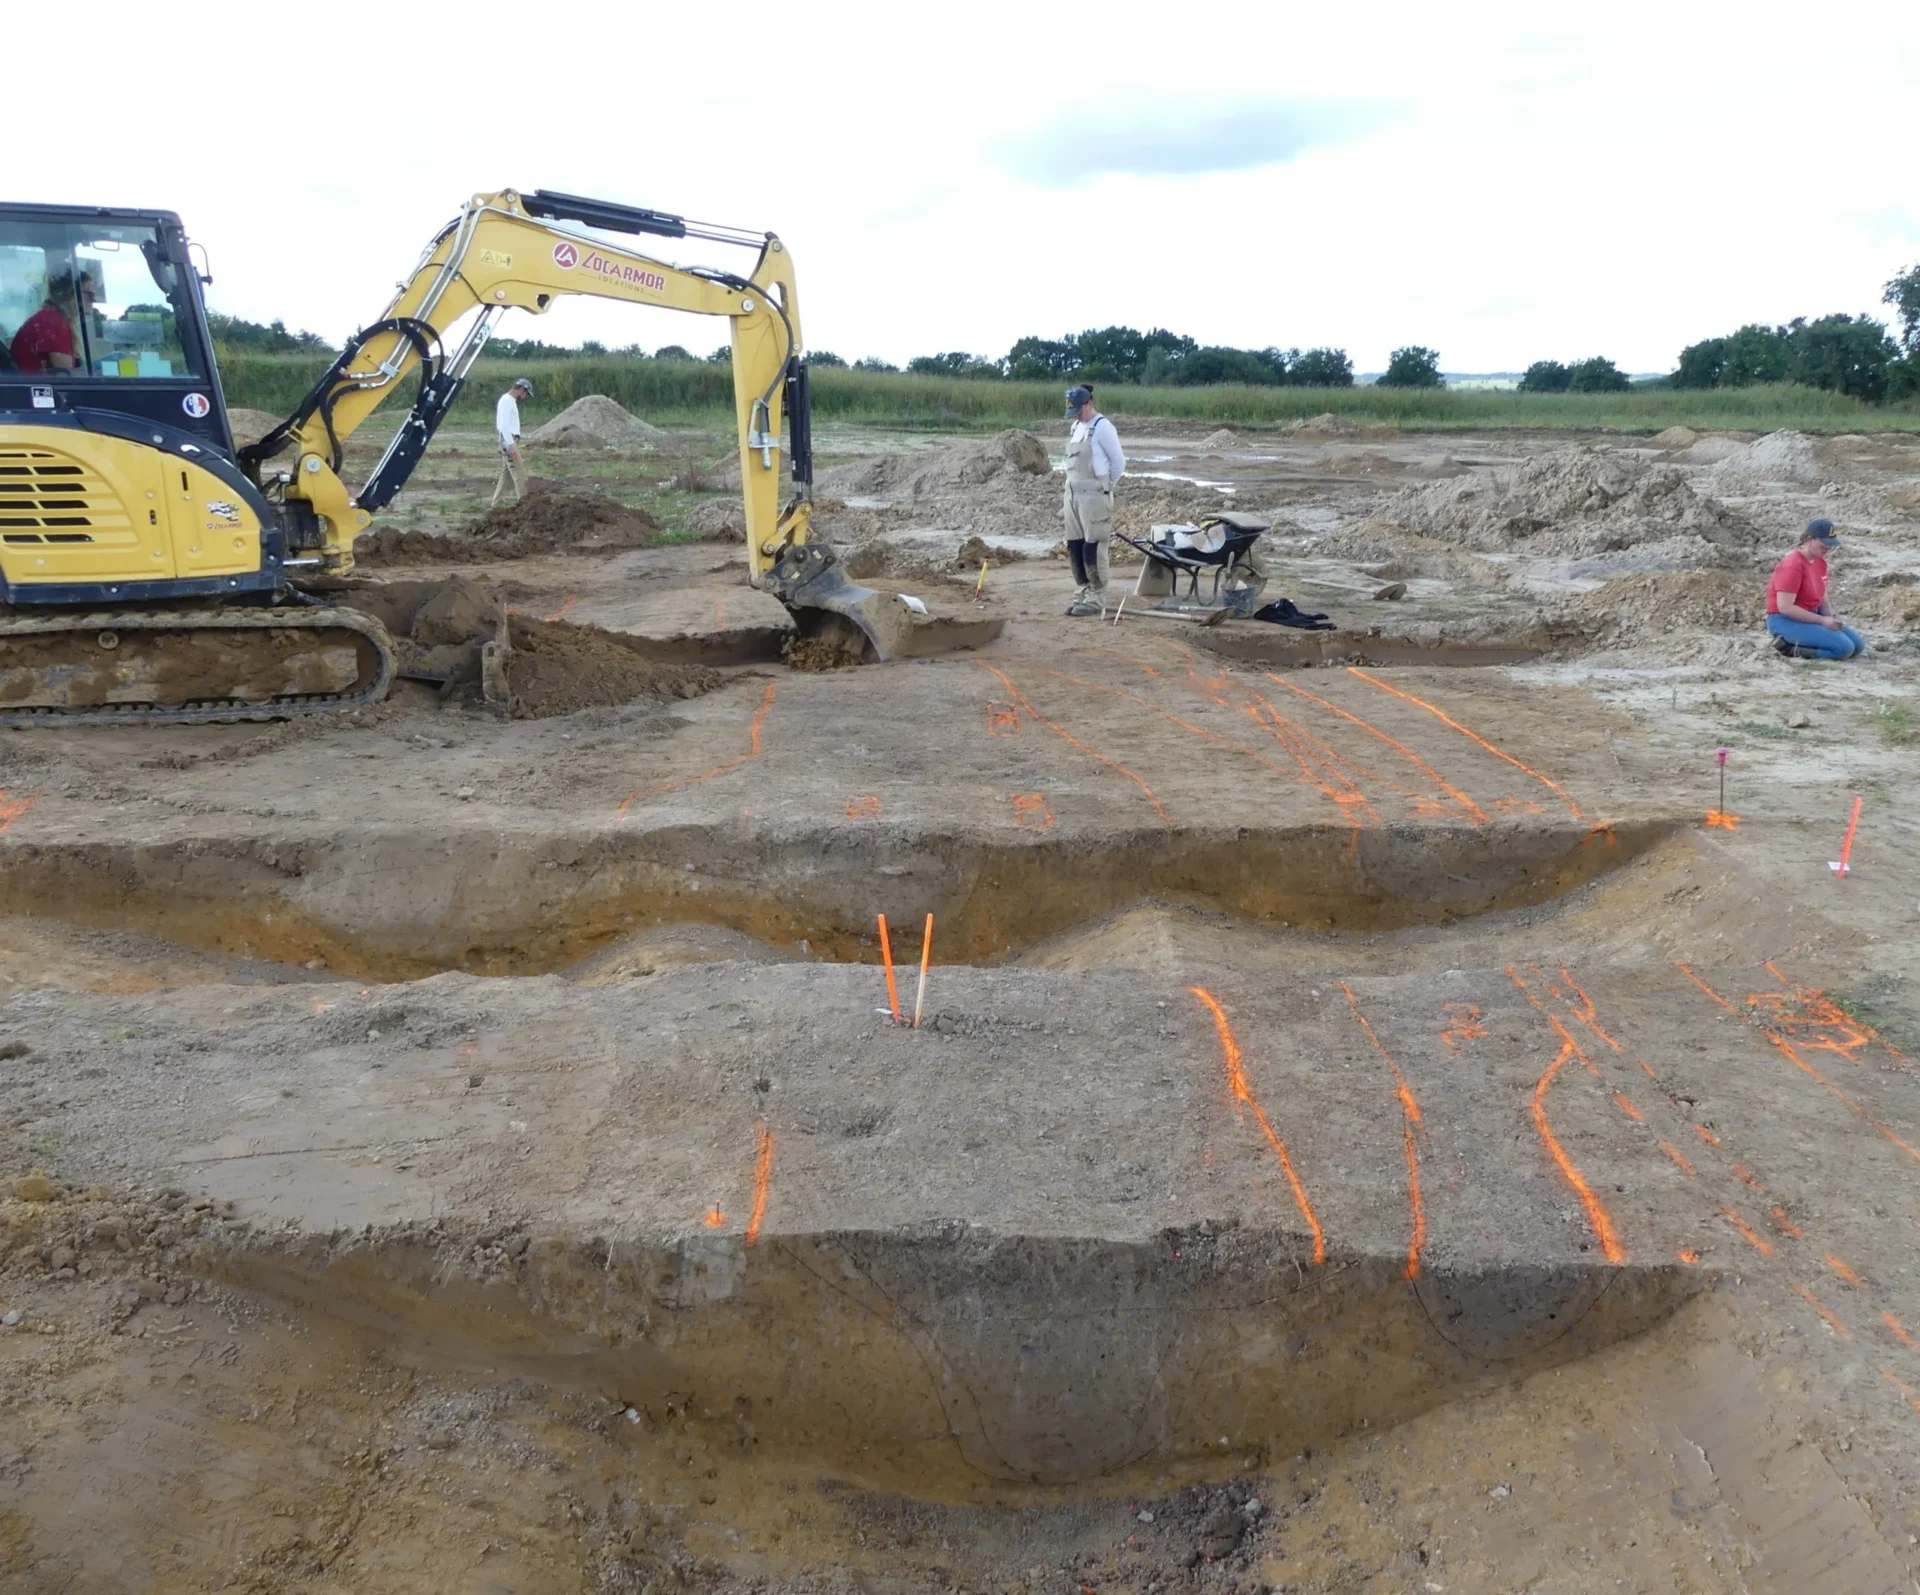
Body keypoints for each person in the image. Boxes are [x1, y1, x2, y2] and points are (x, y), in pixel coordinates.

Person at [1061, 383, 1125, 616]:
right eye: (1073, 412)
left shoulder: (1102, 427)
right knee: (1076, 546)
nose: (1076, 415)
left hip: (1094, 495)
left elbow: (1118, 464)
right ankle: (1083, 592)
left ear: (1089, 403)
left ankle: (1097, 598)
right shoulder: (1076, 427)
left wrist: (1104, 488)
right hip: (1072, 494)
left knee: (1093, 547)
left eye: (1079, 410)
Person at [1765, 519, 1866, 660]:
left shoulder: (1819, 561)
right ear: (1809, 540)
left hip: (1810, 614)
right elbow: (1786, 607)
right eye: (1824, 545)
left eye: (1830, 546)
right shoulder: (1792, 566)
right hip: (1785, 620)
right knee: (1844, 649)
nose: (1828, 549)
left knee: (1858, 646)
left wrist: (1829, 616)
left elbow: (1822, 595)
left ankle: (1815, 639)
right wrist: (1822, 621)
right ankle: (1788, 649)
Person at [10, 271, 94, 375]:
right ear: (70, 293)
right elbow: (67, 374)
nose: (93, 300)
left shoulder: (52, 316)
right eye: (89, 294)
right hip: (36, 385)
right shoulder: (53, 321)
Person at [492, 376, 534, 507]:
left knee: (507, 475)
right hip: (508, 440)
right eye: (526, 393)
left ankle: (497, 504)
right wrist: (511, 444)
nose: (525, 396)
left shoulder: (509, 400)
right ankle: (524, 505)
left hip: (508, 439)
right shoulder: (507, 401)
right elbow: (504, 425)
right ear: (521, 389)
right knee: (520, 475)